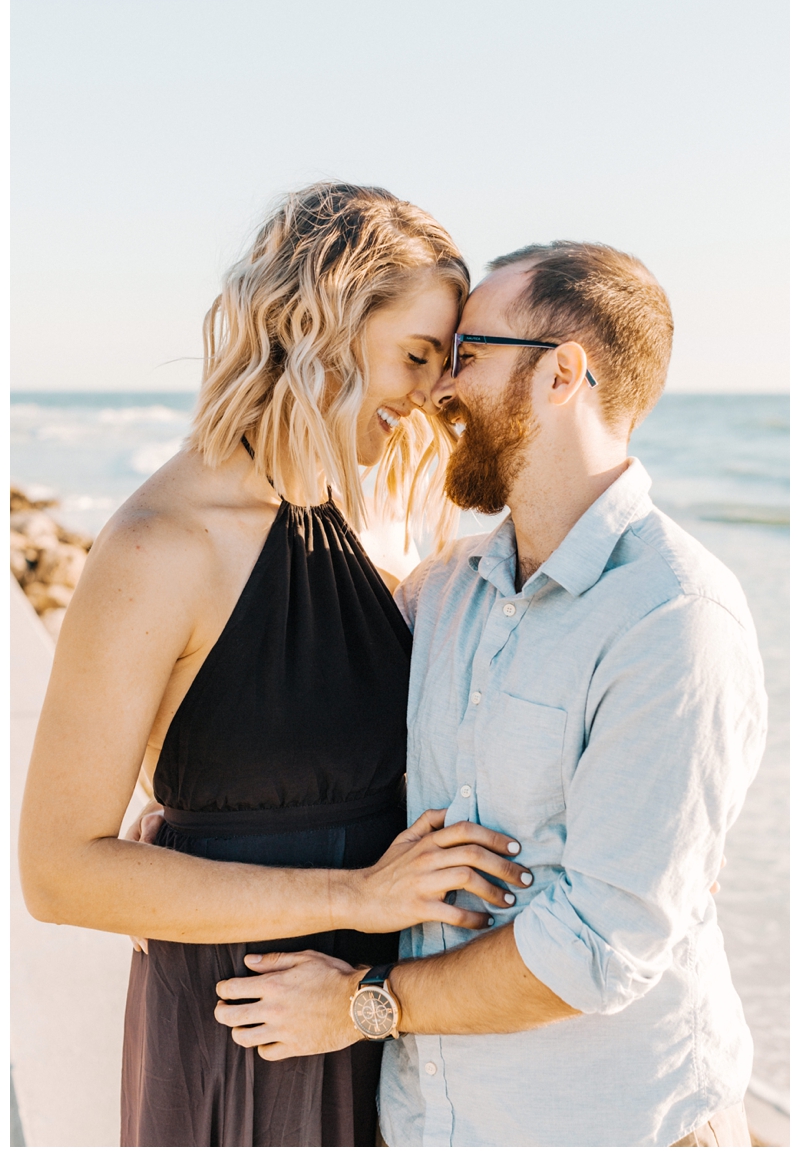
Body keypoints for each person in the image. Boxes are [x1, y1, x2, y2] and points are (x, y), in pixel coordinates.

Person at [213, 241, 767, 1147]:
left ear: (562, 374)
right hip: (435, 1124)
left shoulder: (675, 621)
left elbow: (596, 952)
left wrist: (358, 1006)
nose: (439, 391)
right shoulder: (446, 592)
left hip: (614, 1126)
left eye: (468, 355)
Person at [17, 182, 534, 1148]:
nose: (431, 396)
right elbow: (57, 873)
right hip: (249, 1036)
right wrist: (357, 896)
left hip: (368, 1007)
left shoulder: (331, 523)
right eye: (416, 356)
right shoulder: (158, 546)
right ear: (315, 327)